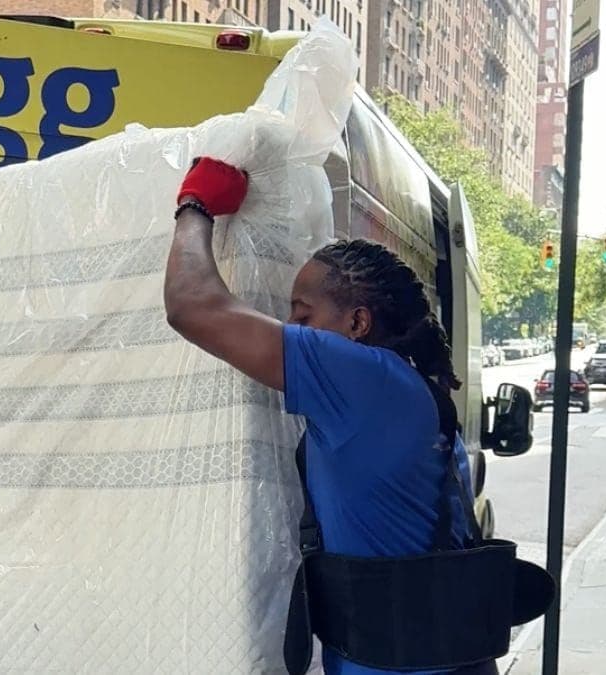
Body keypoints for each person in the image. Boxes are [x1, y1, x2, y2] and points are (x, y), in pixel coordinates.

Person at [164, 158, 490, 675]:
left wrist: (195, 205)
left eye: (302, 313)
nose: (290, 326)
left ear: (358, 322)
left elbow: (192, 307)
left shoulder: (361, 379)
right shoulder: (409, 390)